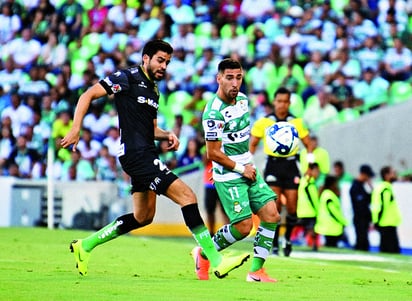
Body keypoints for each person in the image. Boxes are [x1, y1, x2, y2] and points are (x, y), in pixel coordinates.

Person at [61, 39, 249, 278]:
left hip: (145, 152)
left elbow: (150, 129)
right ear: (146, 58)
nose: (164, 66)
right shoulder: (126, 77)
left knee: (143, 216)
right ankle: (215, 259)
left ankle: (85, 246)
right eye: (160, 60)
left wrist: (166, 135)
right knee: (187, 196)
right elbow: (88, 95)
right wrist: (76, 127)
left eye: (167, 62)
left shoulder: (154, 90)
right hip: (136, 155)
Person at [201, 58, 281, 282]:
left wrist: (248, 164)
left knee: (271, 215)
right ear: (219, 79)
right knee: (244, 227)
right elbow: (213, 153)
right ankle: (205, 252)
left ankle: (256, 271)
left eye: (238, 77)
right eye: (229, 78)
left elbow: (239, 138)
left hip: (248, 168)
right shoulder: (213, 113)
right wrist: (239, 168)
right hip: (231, 174)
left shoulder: (243, 100)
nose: (234, 83)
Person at [250, 87, 311, 257]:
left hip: (291, 166)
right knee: (274, 206)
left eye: (285, 102)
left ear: (289, 103)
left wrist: (311, 162)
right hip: (273, 166)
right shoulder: (264, 122)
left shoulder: (296, 122)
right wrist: (248, 163)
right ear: (274, 102)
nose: (282, 105)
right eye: (279, 101)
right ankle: (275, 243)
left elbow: (309, 143)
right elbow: (253, 143)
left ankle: (288, 239)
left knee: (292, 207)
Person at [371, 166, 402, 253]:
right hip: (387, 223)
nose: (395, 174)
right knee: (391, 250)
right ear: (386, 175)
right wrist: (377, 221)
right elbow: (382, 206)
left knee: (386, 249)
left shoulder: (383, 187)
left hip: (386, 223)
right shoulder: (385, 189)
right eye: (393, 173)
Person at [314, 175, 348, 248]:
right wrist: (343, 222)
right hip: (331, 226)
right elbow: (334, 211)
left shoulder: (325, 193)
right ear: (332, 184)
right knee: (331, 246)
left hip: (327, 226)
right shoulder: (329, 195)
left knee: (329, 245)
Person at [349, 164, 375, 251]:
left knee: (364, 241)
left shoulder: (361, 186)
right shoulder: (356, 186)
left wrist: (371, 188)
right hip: (360, 218)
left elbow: (369, 200)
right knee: (361, 241)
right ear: (363, 174)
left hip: (364, 219)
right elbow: (361, 204)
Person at [296, 162, 320, 251]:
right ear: (310, 171)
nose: (318, 174)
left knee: (309, 229)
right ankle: (313, 245)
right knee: (312, 229)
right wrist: (317, 210)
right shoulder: (308, 182)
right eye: (316, 171)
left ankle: (313, 245)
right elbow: (312, 198)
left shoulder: (307, 181)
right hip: (309, 211)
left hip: (304, 211)